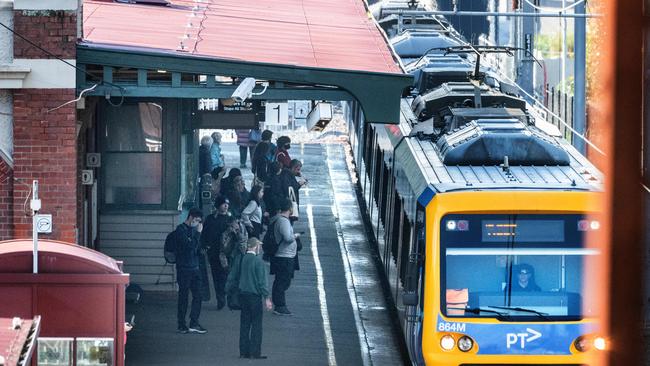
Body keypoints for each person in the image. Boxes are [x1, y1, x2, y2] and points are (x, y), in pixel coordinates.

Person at [226, 237, 272, 359]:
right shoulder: (258, 262)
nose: (260, 249)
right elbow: (262, 282)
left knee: (244, 324)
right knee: (256, 325)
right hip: (255, 297)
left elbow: (232, 276)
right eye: (259, 246)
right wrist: (267, 297)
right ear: (255, 247)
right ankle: (254, 352)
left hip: (242, 296)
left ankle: (243, 352)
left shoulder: (241, 259)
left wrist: (227, 291)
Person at [168, 208, 208, 334]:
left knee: (198, 295)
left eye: (199, 221)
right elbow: (189, 247)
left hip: (195, 267)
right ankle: (181, 324)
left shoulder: (193, 231)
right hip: (184, 267)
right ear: (190, 217)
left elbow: (196, 248)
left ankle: (193, 322)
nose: (197, 223)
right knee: (183, 296)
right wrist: (198, 234)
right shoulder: (180, 231)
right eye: (196, 220)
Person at [269, 198, 300, 315]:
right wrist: (295, 236)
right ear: (290, 208)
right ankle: (280, 306)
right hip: (284, 256)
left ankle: (279, 304)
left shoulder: (280, 220)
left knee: (281, 280)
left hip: (284, 255)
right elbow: (287, 238)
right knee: (282, 281)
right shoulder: (283, 221)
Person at [201, 196, 231, 310]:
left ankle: (223, 295)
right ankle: (220, 296)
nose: (226, 206)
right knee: (216, 275)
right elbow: (205, 233)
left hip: (226, 253)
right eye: (224, 204)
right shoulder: (210, 219)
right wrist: (204, 245)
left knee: (224, 275)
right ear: (218, 205)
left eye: (227, 204)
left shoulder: (230, 219)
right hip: (213, 251)